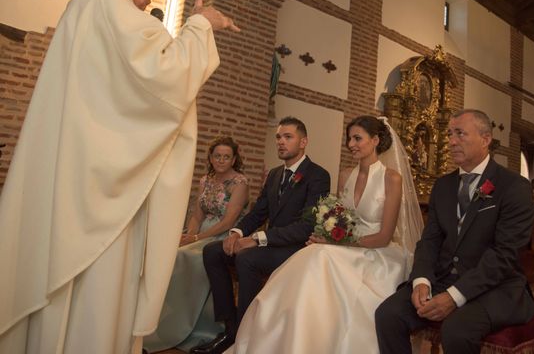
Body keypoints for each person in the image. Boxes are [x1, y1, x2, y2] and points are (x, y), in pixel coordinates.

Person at [0, 0, 239, 354]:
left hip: (81, 186)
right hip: (102, 205)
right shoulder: (110, 9)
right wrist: (201, 25)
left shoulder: (88, 6)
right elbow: (165, 80)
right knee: (96, 304)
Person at [231, 116, 424, 354]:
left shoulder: (391, 178)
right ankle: (286, 337)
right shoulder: (345, 175)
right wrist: (328, 234)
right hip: (343, 246)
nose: (351, 144)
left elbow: (384, 237)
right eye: (349, 139)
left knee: (320, 258)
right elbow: (337, 218)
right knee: (312, 256)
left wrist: (337, 240)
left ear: (375, 140)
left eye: (357, 138)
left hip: (377, 252)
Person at [375, 109, 534, 354]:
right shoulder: (444, 185)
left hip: (494, 287)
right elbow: (430, 240)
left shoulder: (514, 187)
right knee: (388, 314)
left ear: (485, 139)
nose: (451, 141)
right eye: (450, 134)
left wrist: (455, 296)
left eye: (460, 133)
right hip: (442, 280)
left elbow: (505, 255)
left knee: (457, 330)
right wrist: (421, 280)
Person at [192, 117, 330, 354]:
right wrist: (236, 233)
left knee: (247, 259)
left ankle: (247, 333)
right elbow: (258, 212)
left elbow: (306, 226)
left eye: (288, 137)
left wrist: (256, 239)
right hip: (271, 244)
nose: (281, 142)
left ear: (304, 141)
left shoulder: (318, 175)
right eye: (278, 137)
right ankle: (230, 327)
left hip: (297, 248)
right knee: (213, 251)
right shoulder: (275, 174)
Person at [144, 137, 249, 352]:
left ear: (233, 159)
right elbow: (197, 216)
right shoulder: (205, 181)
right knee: (173, 253)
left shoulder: (240, 183)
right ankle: (167, 322)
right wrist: (189, 235)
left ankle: (199, 327)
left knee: (192, 258)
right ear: (210, 158)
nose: (221, 160)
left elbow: (229, 221)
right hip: (202, 234)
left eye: (226, 156)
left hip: (224, 235)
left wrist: (195, 240)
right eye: (217, 156)